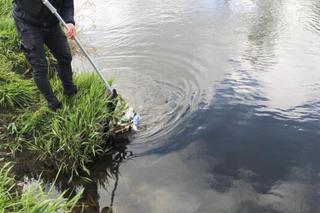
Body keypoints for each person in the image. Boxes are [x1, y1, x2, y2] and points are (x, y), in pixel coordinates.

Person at [13, 0, 78, 111]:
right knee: (40, 66)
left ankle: (69, 89)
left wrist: (69, 21)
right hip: (28, 23)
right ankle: (53, 104)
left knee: (65, 55)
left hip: (51, 23)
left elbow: (67, 3)